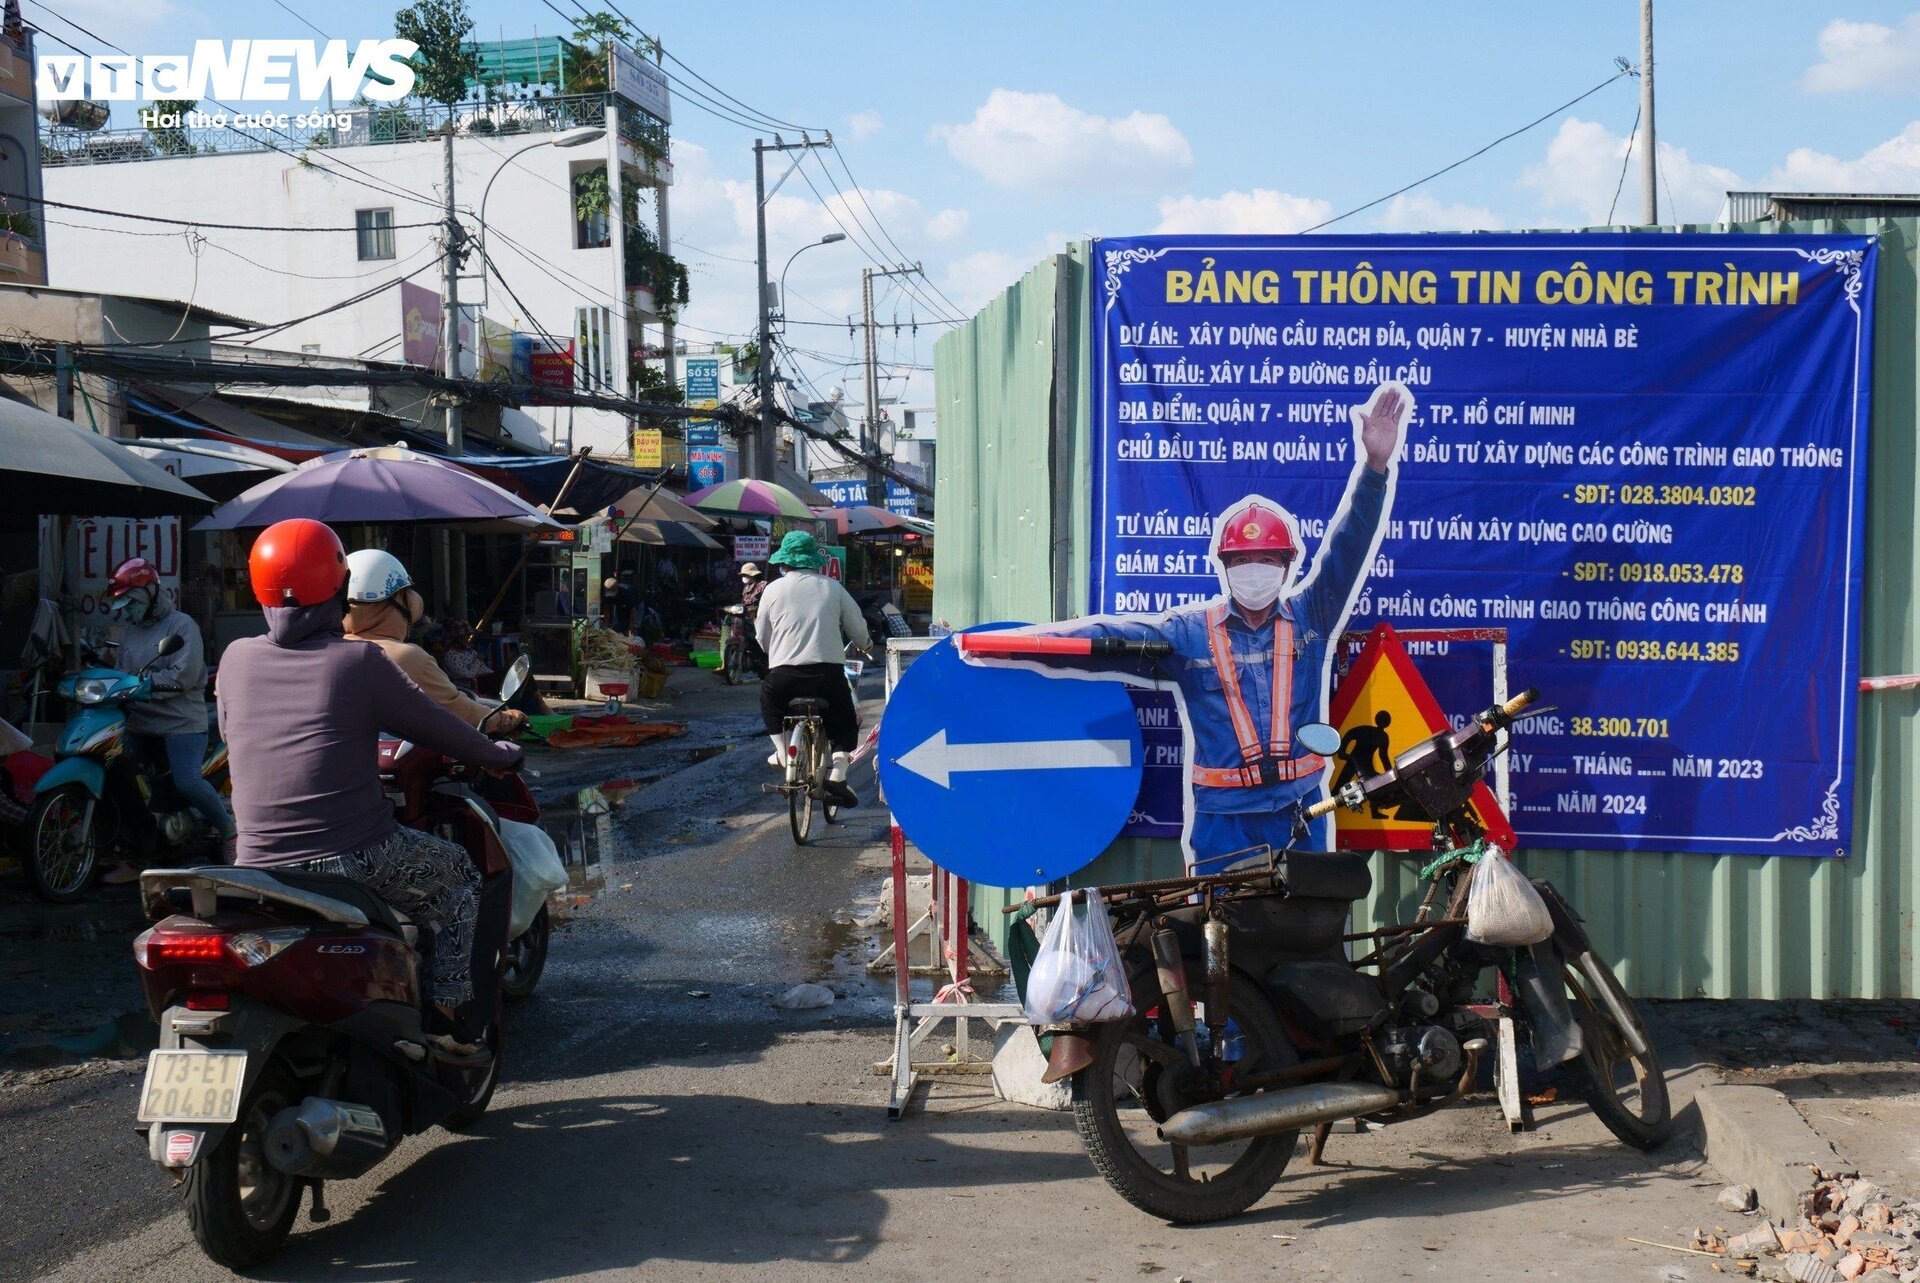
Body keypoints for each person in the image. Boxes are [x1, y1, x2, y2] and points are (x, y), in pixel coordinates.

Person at [965, 382, 1412, 867]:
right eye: (1243, 558)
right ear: (1224, 565)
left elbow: (1348, 548)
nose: (1255, 569)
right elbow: (1102, 644)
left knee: (1309, 928)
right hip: (1224, 820)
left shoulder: (1311, 616)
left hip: (1299, 811)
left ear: (1286, 566)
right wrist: (1007, 645)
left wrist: (1374, 468)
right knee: (1220, 930)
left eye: (1267, 558)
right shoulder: (1189, 634)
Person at [219, 519, 523, 1050]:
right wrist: (496, 754)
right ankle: (449, 1022)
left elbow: (235, 737)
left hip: (254, 862)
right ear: (337, 589)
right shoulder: (360, 662)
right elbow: (445, 729)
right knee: (458, 880)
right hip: (348, 855)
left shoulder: (235, 657)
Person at [106, 558, 234, 868]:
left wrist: (145, 684)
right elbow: (121, 672)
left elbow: (184, 676)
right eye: (123, 603)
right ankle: (137, 847)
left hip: (179, 722)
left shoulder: (181, 625)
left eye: (131, 601)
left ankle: (230, 832)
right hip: (138, 721)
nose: (128, 609)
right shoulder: (131, 630)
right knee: (115, 774)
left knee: (187, 781)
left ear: (150, 592)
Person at [342, 549, 526, 738]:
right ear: (397, 601)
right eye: (406, 593)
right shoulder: (407, 657)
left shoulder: (324, 648)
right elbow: (459, 711)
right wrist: (504, 720)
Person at [755, 532, 869, 807]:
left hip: (783, 676)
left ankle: (782, 753)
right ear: (813, 561)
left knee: (769, 702)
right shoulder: (833, 588)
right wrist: (866, 645)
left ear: (785, 563)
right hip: (827, 675)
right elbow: (858, 629)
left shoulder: (772, 589)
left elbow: (761, 635)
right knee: (843, 718)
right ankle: (839, 774)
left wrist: (776, 653)